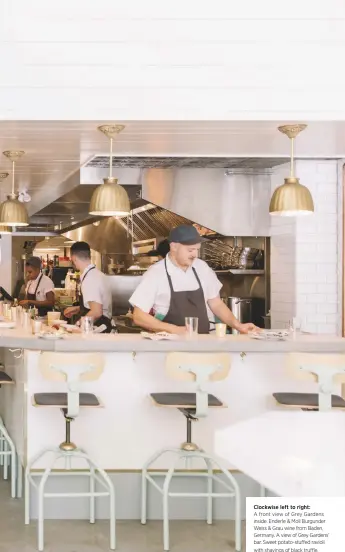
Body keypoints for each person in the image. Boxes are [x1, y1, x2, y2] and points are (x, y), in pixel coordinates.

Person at [129, 225, 259, 335]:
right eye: (190, 250)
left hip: (202, 344)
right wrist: (176, 330)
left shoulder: (201, 267)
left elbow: (216, 303)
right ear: (173, 247)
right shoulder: (156, 273)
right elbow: (139, 317)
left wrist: (238, 325)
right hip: (169, 347)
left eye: (197, 250)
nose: (195, 255)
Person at [63, 241, 113, 333]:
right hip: (103, 326)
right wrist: (78, 309)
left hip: (98, 330)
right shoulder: (98, 274)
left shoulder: (90, 279)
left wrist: (77, 326)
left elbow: (97, 312)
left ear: (73, 258)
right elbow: (98, 304)